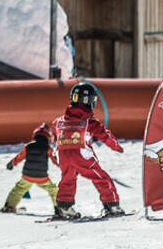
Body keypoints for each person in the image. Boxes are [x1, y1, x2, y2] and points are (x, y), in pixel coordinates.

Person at [52, 82, 126, 219]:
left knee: (67, 179)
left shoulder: (60, 121)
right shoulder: (88, 121)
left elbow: (54, 127)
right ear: (88, 101)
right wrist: (116, 146)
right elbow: (104, 134)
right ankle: (112, 204)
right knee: (100, 177)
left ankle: (64, 206)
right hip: (81, 154)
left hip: (62, 154)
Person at [0, 123, 60, 214]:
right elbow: (56, 160)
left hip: (27, 176)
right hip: (42, 177)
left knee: (18, 189)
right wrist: (66, 167)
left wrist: (11, 163)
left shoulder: (28, 146)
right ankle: (59, 208)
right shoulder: (48, 149)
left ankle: (9, 206)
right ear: (49, 137)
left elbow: (19, 157)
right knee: (53, 190)